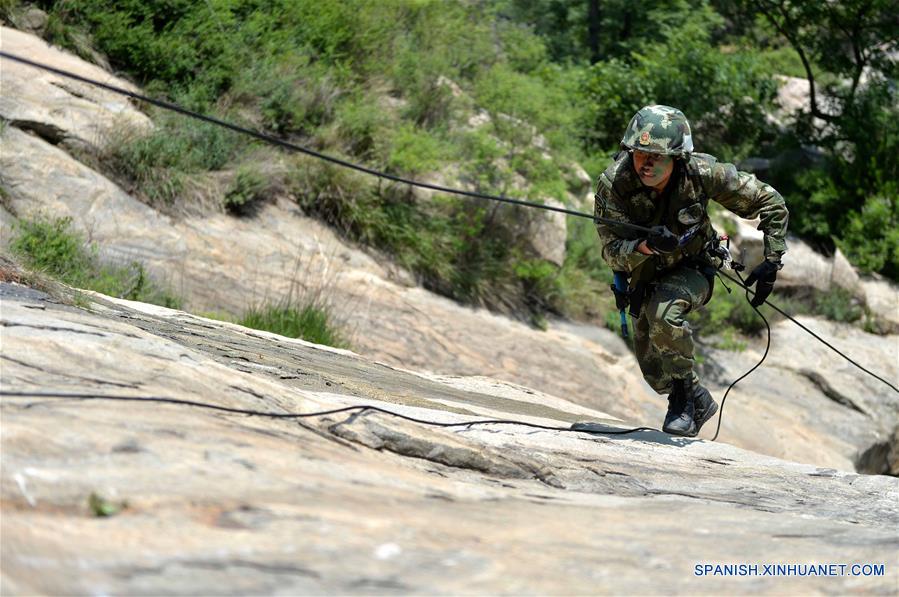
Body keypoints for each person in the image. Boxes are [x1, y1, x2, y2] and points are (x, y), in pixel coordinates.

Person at [594, 105, 789, 437]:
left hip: (694, 265)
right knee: (656, 371)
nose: (646, 162)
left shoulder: (702, 172)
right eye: (640, 153)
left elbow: (769, 202)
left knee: (663, 315)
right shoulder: (615, 184)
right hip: (644, 270)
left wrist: (771, 261)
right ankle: (695, 395)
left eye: (658, 155)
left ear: (677, 157)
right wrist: (645, 247)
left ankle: (685, 400)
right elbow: (611, 253)